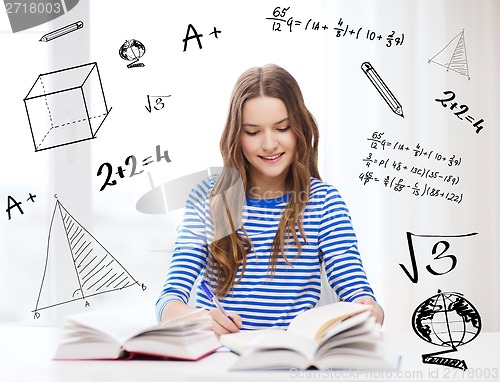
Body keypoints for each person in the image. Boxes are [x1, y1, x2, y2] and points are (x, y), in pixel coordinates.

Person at [156, 64, 383, 335]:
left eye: (282, 128)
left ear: (300, 129)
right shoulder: (206, 198)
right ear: (236, 136)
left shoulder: (324, 202)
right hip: (219, 359)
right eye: (253, 132)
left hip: (292, 359)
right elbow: (168, 302)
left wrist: (368, 309)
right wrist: (196, 317)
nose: (269, 144)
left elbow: (356, 290)